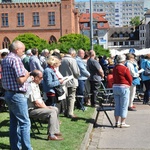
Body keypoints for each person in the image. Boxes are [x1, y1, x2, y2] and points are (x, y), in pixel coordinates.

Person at [1, 40, 32, 150]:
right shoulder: (16, 59)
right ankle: (26, 148)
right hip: (17, 94)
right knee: (25, 123)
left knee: (14, 123)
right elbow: (20, 80)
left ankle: (15, 147)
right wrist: (27, 75)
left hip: (9, 93)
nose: (23, 53)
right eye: (22, 50)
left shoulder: (5, 59)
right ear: (17, 49)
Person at [28, 70, 63, 141]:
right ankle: (51, 135)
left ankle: (55, 131)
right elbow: (36, 103)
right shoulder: (31, 86)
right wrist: (47, 108)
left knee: (55, 109)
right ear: (35, 78)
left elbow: (40, 100)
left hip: (37, 108)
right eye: (41, 77)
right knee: (52, 112)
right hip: (31, 110)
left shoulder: (36, 85)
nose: (42, 79)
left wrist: (47, 107)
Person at [59, 48, 80, 118]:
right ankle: (70, 113)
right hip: (72, 80)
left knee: (65, 97)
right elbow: (76, 72)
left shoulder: (61, 59)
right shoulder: (72, 60)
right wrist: (78, 75)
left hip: (63, 80)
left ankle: (65, 111)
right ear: (73, 54)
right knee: (71, 97)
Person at [113, 54, 132, 128]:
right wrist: (129, 84)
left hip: (115, 86)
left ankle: (117, 122)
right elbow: (129, 78)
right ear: (123, 60)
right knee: (124, 105)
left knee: (117, 105)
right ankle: (123, 122)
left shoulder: (115, 68)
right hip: (123, 86)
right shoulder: (125, 68)